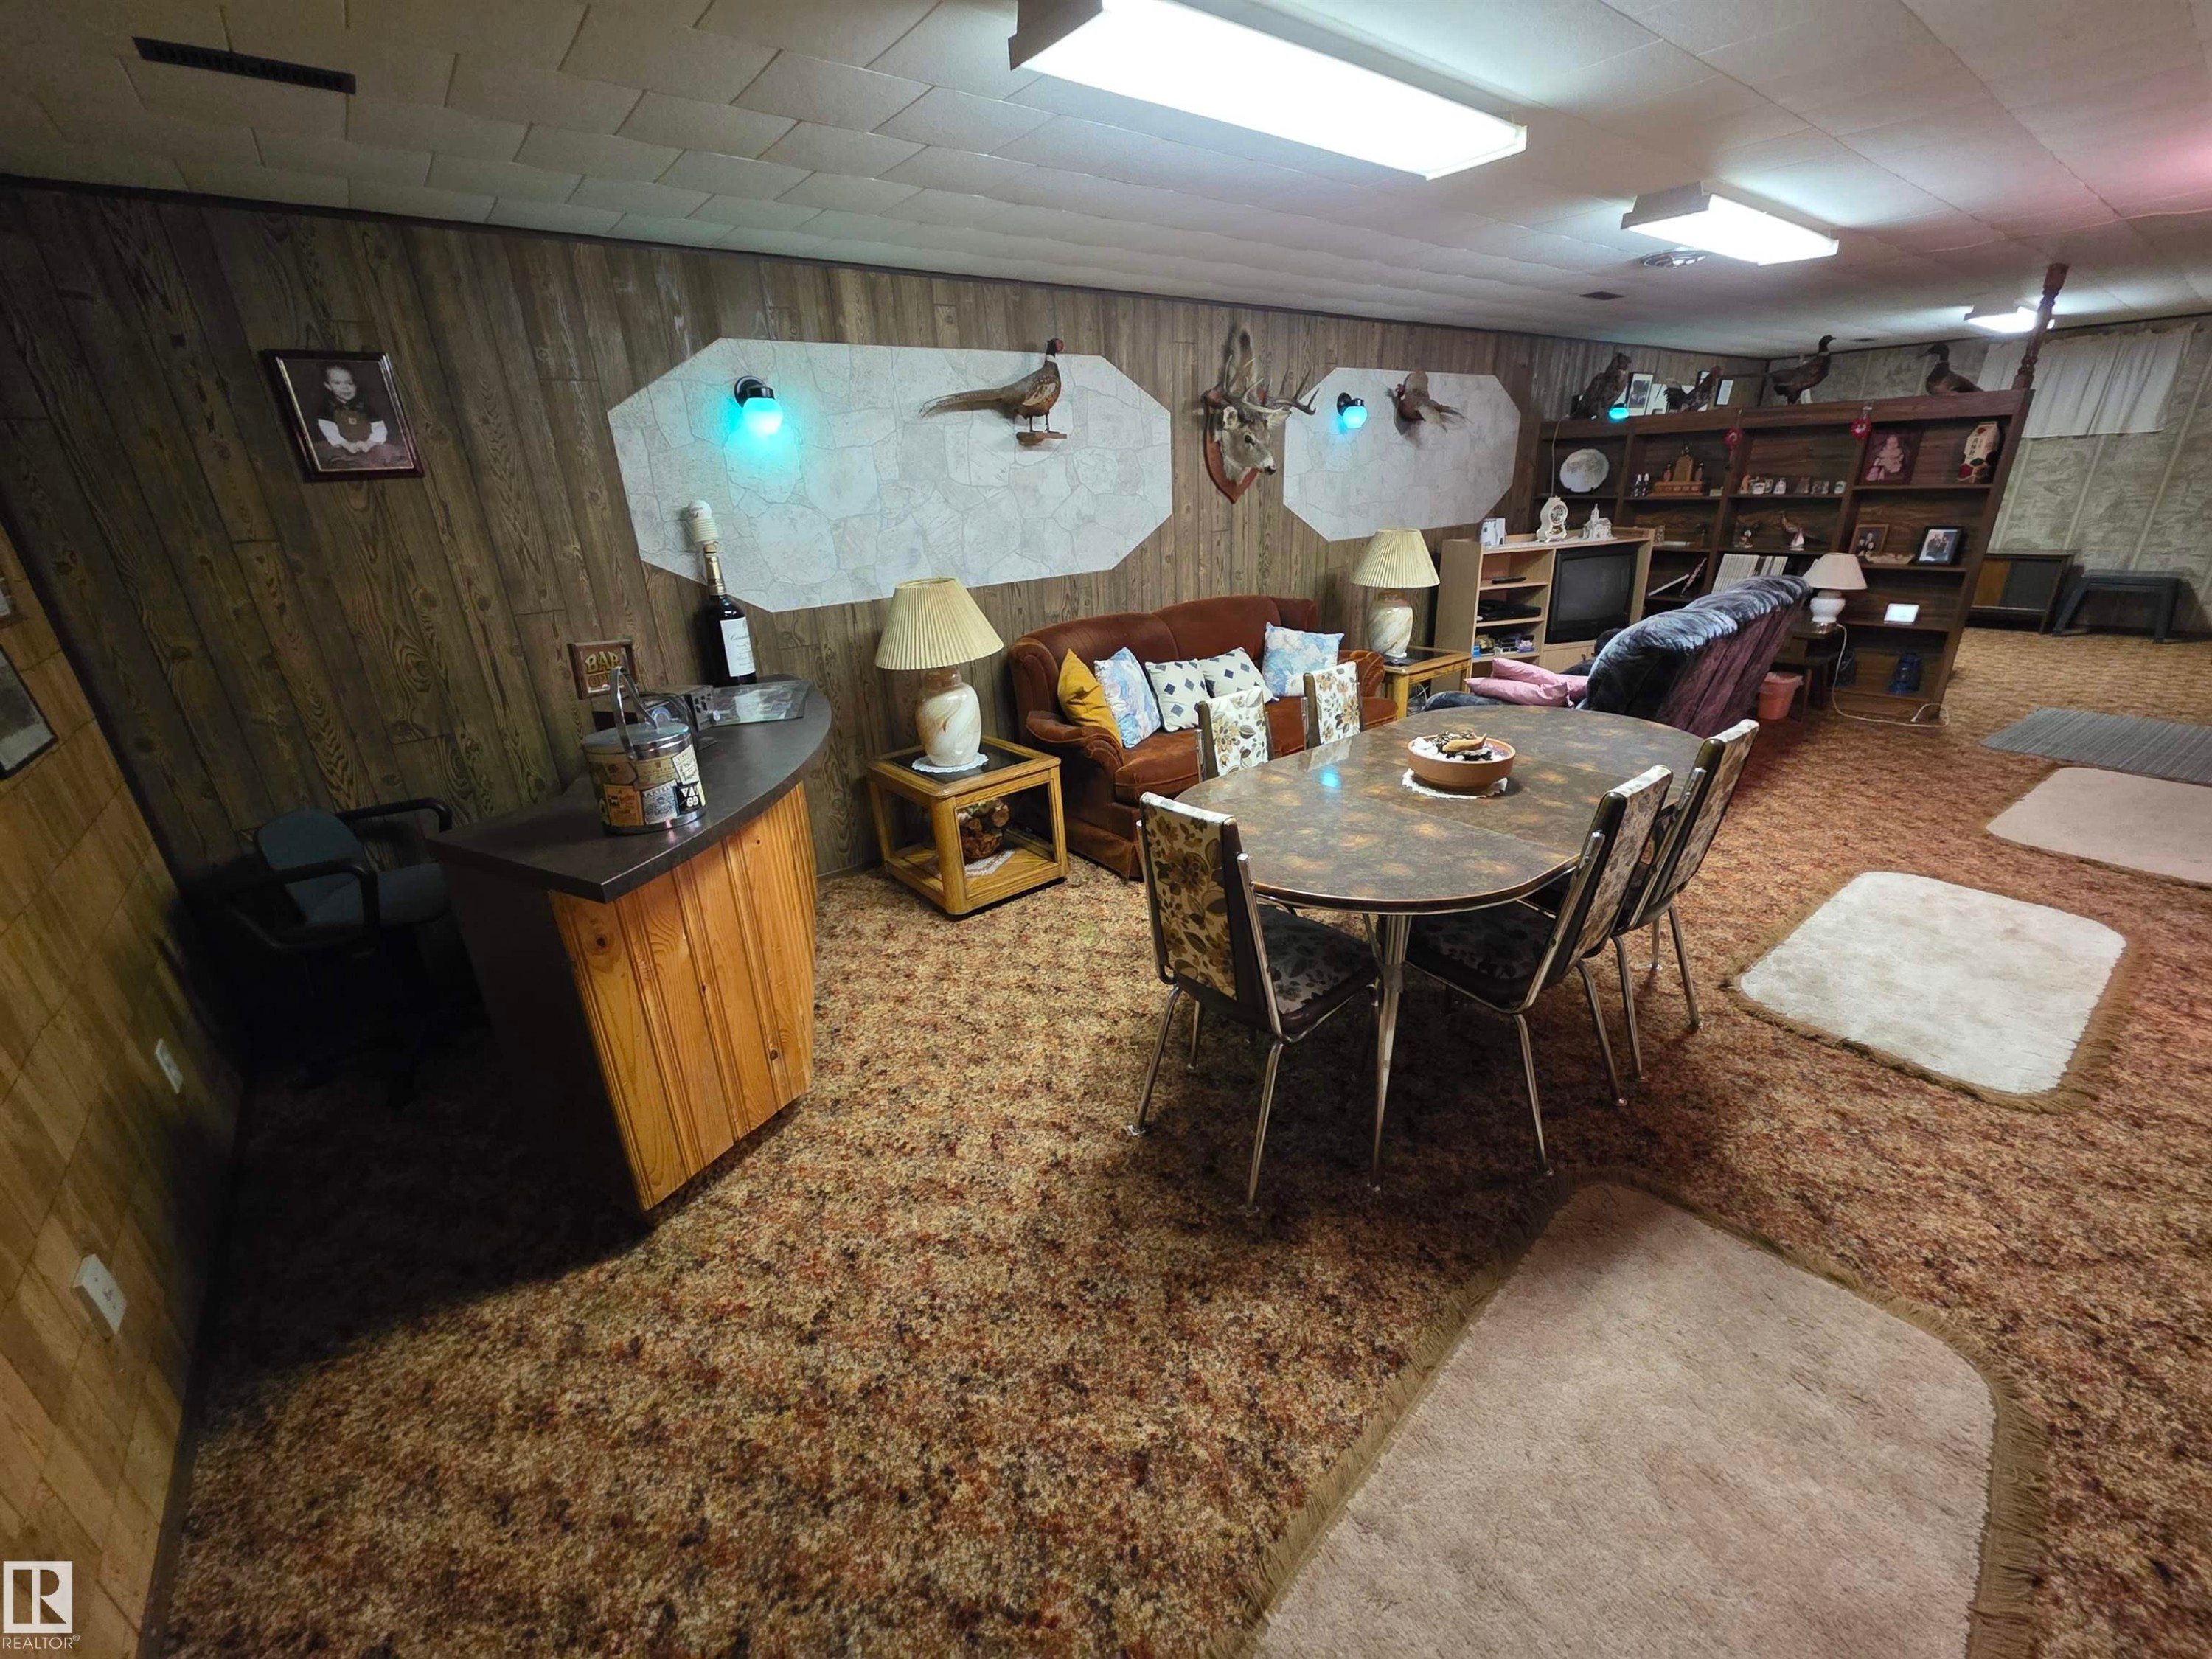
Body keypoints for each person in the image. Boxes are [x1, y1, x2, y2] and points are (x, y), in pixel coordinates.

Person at [310, 363, 389, 463]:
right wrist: (347, 445)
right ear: (328, 386)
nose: (345, 387)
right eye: (337, 383)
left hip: (368, 445)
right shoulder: (327, 408)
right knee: (328, 455)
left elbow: (379, 427)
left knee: (385, 452)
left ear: (356, 385)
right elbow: (328, 429)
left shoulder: (365, 407)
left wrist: (370, 443)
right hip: (340, 446)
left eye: (350, 383)